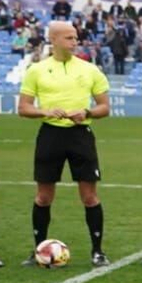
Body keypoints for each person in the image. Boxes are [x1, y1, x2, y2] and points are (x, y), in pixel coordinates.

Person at [16, 22, 111, 266]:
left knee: (90, 197)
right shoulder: (37, 70)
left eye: (76, 37)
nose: (74, 41)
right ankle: (38, 251)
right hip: (50, 135)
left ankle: (98, 251)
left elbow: (104, 107)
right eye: (69, 37)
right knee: (43, 197)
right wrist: (46, 111)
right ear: (54, 39)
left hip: (80, 135)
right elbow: (24, 108)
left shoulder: (90, 69)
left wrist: (87, 111)